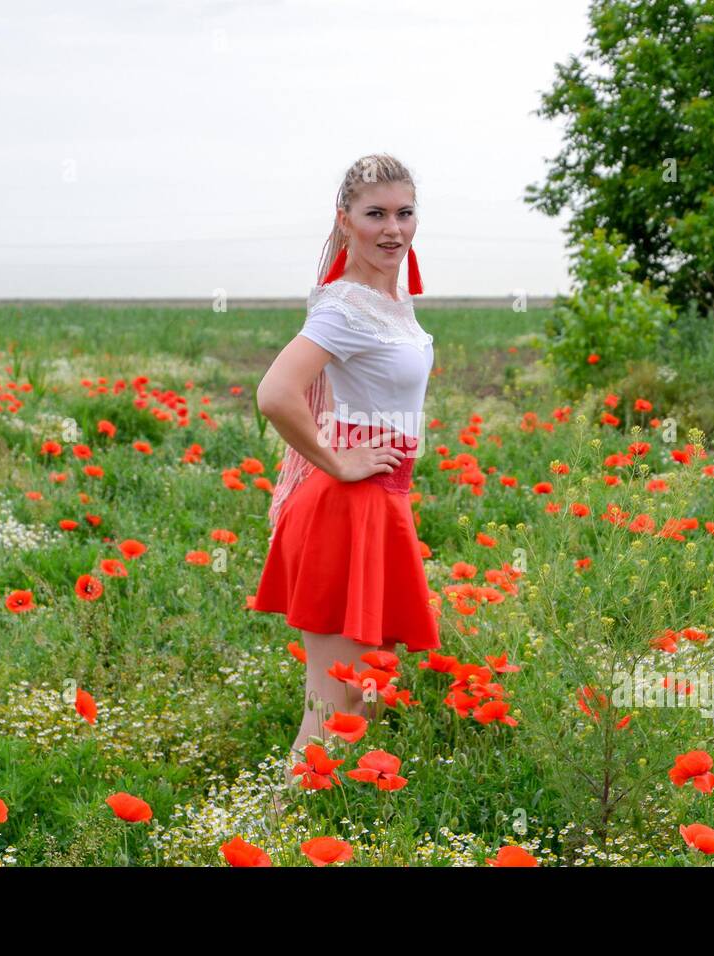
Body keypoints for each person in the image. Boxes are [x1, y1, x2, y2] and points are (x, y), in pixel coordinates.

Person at [250, 154, 441, 805]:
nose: (394, 228)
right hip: (344, 507)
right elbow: (275, 393)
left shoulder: (393, 299)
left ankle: (332, 822)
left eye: (404, 212)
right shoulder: (347, 305)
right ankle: (282, 828)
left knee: (367, 693)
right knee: (333, 703)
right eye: (376, 214)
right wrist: (338, 461)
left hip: (382, 504)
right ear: (346, 221)